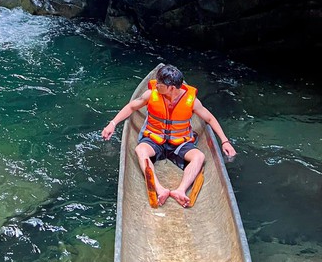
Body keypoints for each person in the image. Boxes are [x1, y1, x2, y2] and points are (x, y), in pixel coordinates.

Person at [101, 65, 237, 207]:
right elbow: (131, 107)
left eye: (159, 83)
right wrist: (113, 123)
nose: (156, 84)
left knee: (199, 157)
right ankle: (160, 189)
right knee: (140, 150)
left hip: (179, 143)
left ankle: (181, 190)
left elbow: (209, 119)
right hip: (154, 140)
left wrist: (225, 142)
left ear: (171, 87)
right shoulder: (151, 94)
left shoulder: (192, 101)